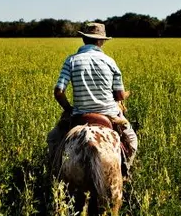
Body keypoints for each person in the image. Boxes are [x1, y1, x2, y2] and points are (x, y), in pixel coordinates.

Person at [46, 22, 138, 176]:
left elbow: (58, 92)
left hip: (80, 115)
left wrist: (70, 110)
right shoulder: (110, 62)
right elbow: (119, 96)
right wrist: (125, 95)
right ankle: (125, 171)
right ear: (101, 41)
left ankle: (53, 173)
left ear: (84, 39)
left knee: (53, 139)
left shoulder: (71, 60)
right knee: (132, 140)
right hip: (110, 115)